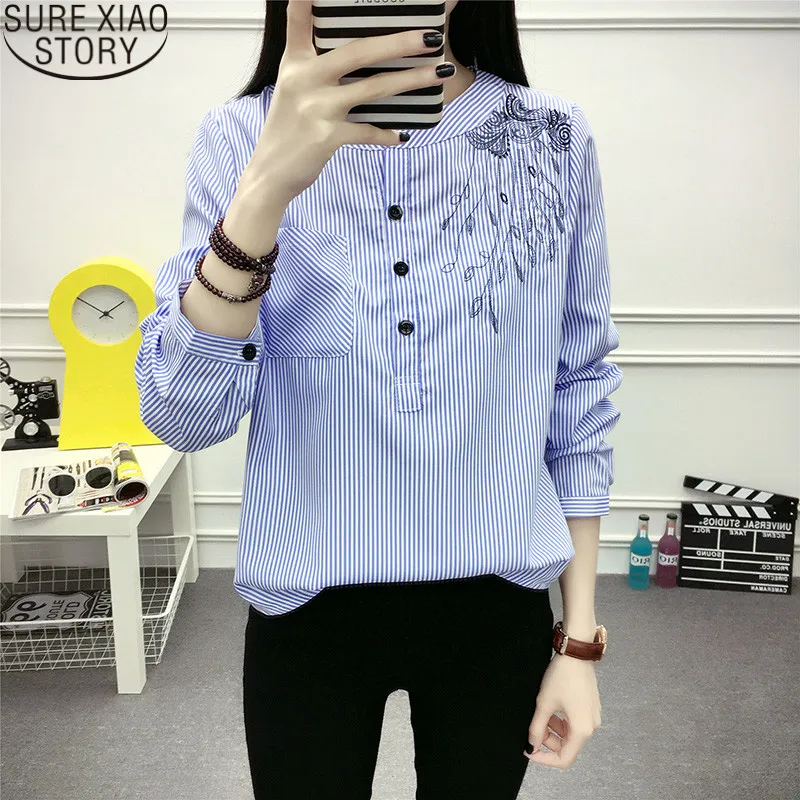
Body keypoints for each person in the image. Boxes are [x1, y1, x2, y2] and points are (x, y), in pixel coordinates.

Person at [134, 0, 623, 797]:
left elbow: (580, 390)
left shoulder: (551, 136)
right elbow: (184, 415)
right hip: (306, 604)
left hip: (496, 602)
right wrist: (266, 190)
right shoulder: (238, 137)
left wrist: (578, 642)